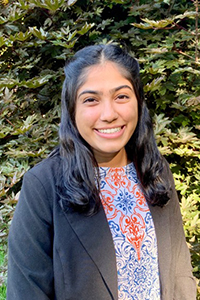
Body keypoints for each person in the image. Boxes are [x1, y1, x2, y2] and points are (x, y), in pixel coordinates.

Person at [7, 44, 196, 300]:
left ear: (138, 102)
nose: (109, 114)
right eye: (91, 100)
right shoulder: (43, 185)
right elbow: (28, 291)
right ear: (72, 109)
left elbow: (179, 271)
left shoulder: (155, 170)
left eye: (121, 96)